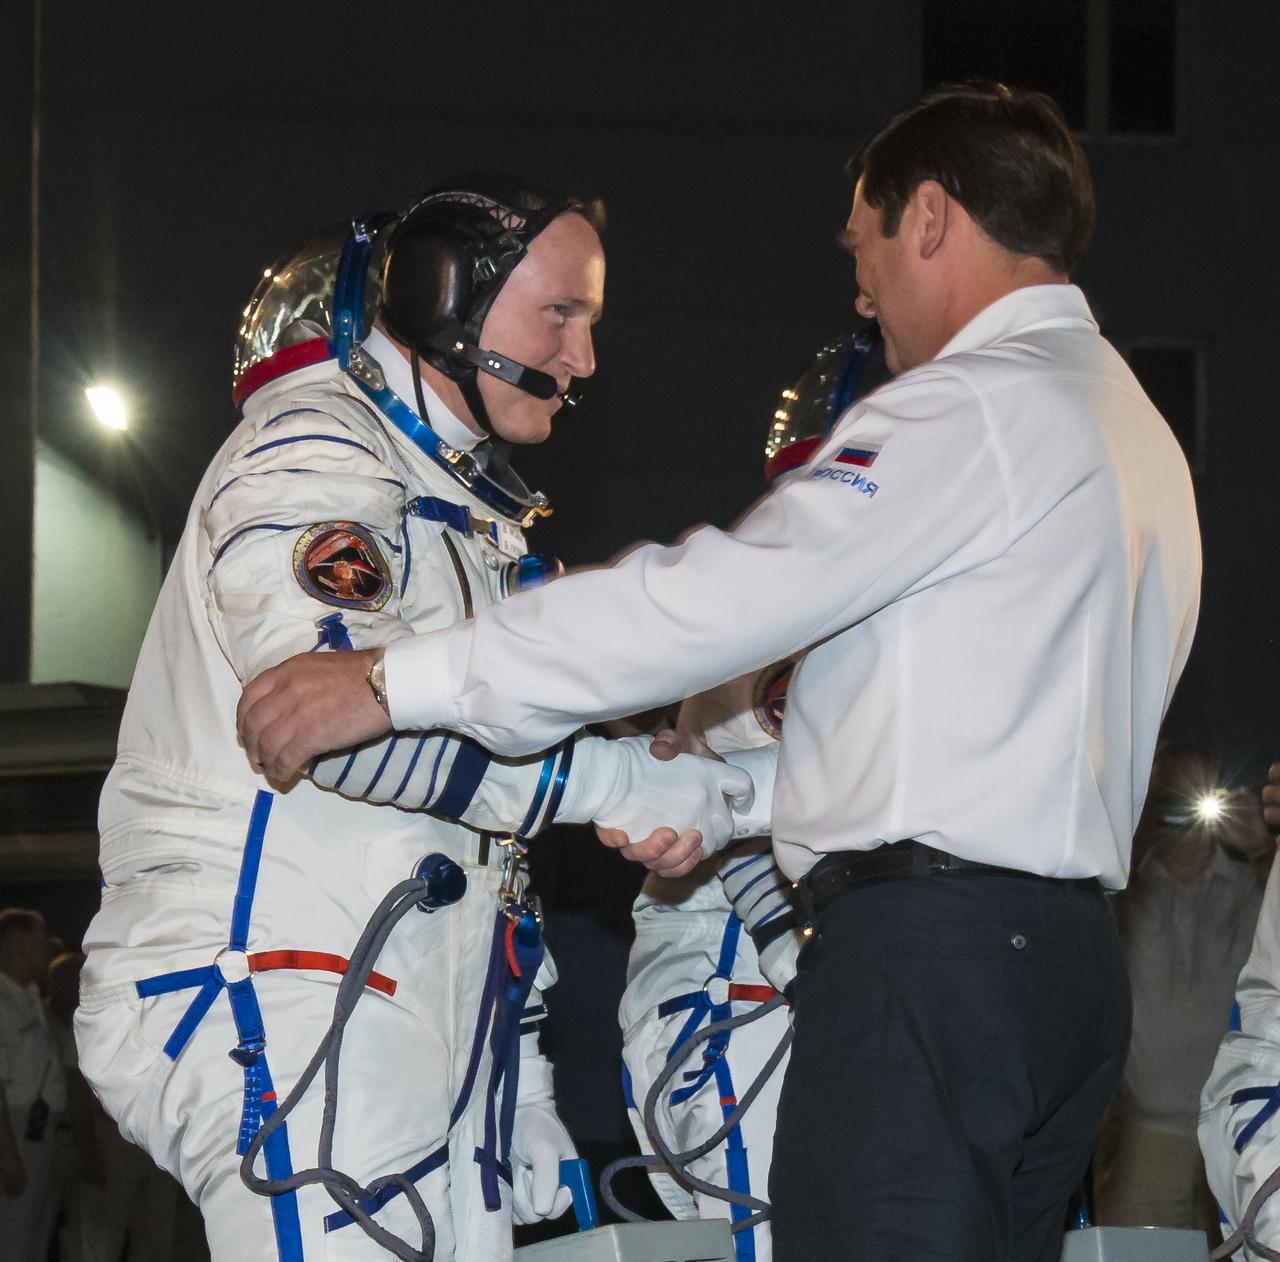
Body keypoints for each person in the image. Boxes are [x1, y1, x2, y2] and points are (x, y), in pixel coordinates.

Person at [238, 84, 1203, 1261]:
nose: (859, 290)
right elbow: (926, 739)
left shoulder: (972, 407)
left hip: (928, 969)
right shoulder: (1127, 424)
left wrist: (405, 679)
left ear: (933, 218)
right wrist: (720, 798)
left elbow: (714, 603)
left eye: (864, 246)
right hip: (1060, 975)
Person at [75, 176, 749, 1262]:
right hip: (282, 974)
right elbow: (329, 728)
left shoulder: (442, 507)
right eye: (560, 316)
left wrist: (521, 1065)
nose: (583, 360)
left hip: (402, 997)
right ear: (446, 301)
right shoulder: (311, 451)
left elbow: (479, 841)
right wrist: (616, 784)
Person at [618, 328, 889, 1261]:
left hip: (867, 983)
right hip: (738, 983)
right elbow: (722, 814)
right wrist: (805, 957)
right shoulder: (760, 606)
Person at [1091, 743, 1270, 1235]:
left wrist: (1263, 851)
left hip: (1238, 1130)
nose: (1188, 810)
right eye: (1173, 797)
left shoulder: (1254, 886)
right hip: (1144, 1137)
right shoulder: (1122, 893)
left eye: (1202, 796)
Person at [0, 908, 66, 1260]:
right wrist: (8, 1157)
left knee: (37, 1235)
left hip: (39, 1130)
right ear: (19, 943)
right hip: (17, 1130)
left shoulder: (28, 997)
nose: (47, 951)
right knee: (15, 1237)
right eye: (40, 941)